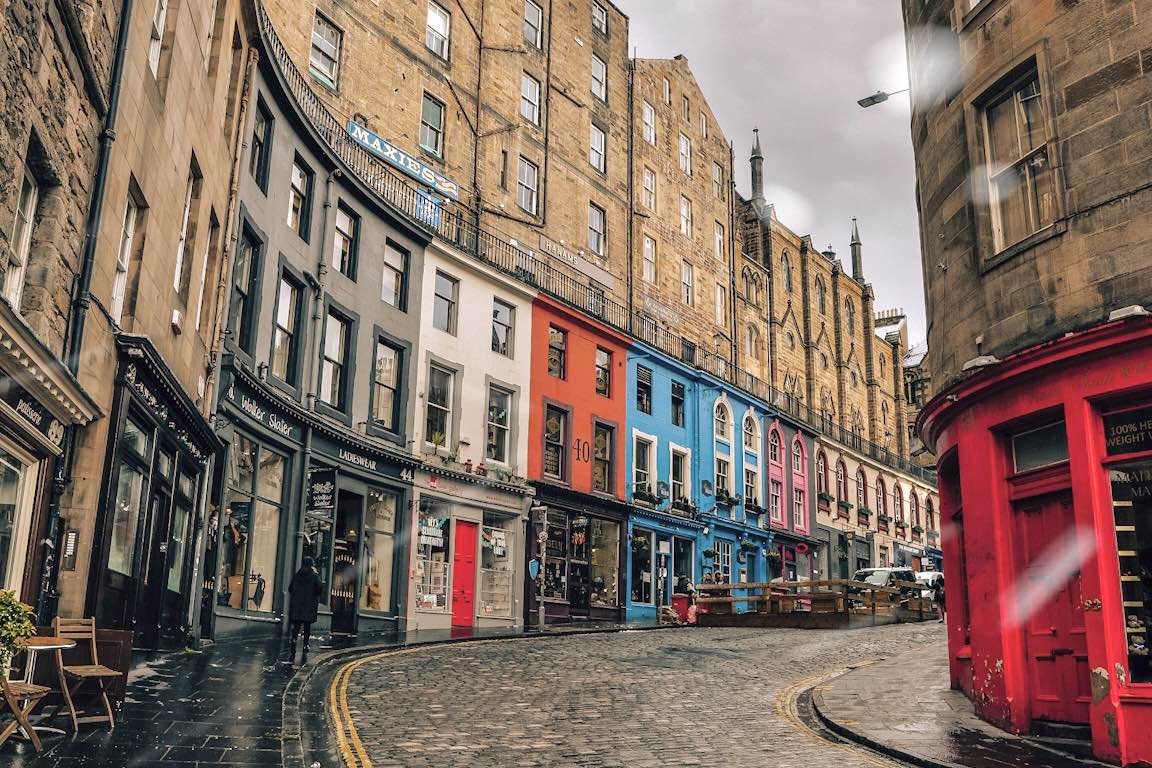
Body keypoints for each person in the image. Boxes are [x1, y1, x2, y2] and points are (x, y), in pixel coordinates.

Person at [288, 556, 322, 662]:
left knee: (296, 626)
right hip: (308, 605)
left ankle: (294, 640)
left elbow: (290, 589)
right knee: (307, 626)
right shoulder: (314, 576)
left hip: (297, 605)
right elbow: (319, 589)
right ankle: (305, 645)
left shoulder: (297, 575)